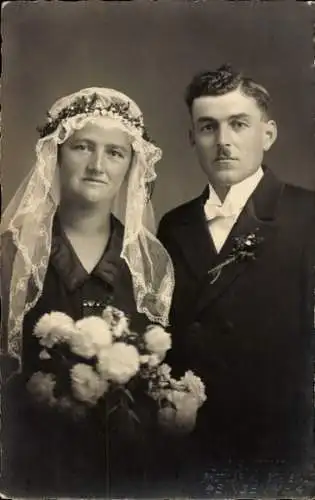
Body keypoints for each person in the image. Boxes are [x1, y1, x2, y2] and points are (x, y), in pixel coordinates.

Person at [0, 87, 175, 497]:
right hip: (31, 470)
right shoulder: (12, 252)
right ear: (56, 155)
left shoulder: (153, 261)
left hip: (128, 472)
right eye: (83, 147)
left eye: (115, 152)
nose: (98, 165)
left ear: (132, 165)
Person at [158, 64, 315, 486]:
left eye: (238, 124)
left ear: (268, 133)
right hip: (191, 449)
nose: (223, 141)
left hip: (281, 448)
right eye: (208, 127)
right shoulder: (174, 226)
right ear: (192, 138)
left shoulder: (307, 215)